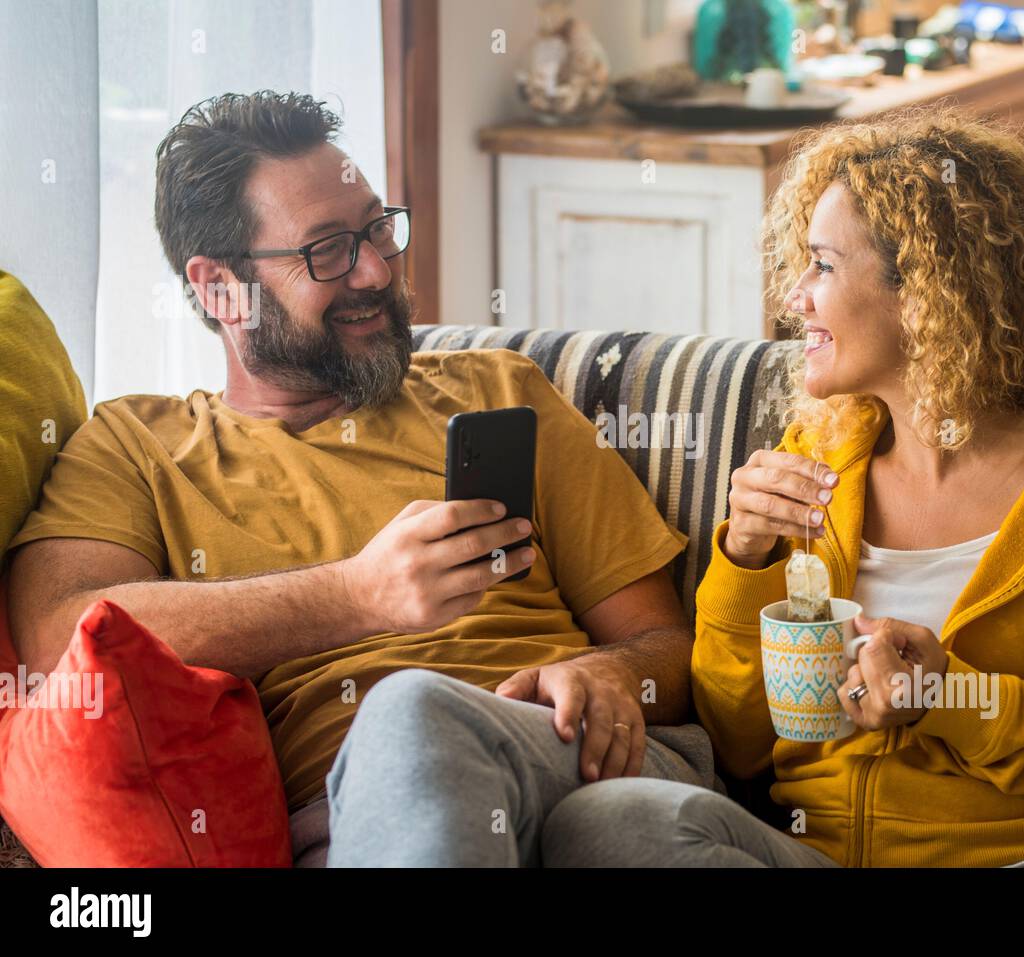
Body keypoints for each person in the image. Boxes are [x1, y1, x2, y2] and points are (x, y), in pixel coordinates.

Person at [4, 91, 715, 867]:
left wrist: (612, 670)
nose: (376, 270)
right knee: (500, 771)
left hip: (583, 760)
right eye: (329, 250)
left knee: (492, 752)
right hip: (363, 829)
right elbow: (61, 642)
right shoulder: (134, 445)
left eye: (378, 229)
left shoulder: (500, 391)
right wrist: (354, 594)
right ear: (217, 288)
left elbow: (668, 645)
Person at [540, 109, 1024, 868]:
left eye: (823, 266)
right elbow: (740, 747)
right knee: (611, 820)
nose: (794, 298)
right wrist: (744, 564)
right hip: (819, 854)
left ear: (927, 293)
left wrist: (954, 701)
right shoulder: (812, 469)